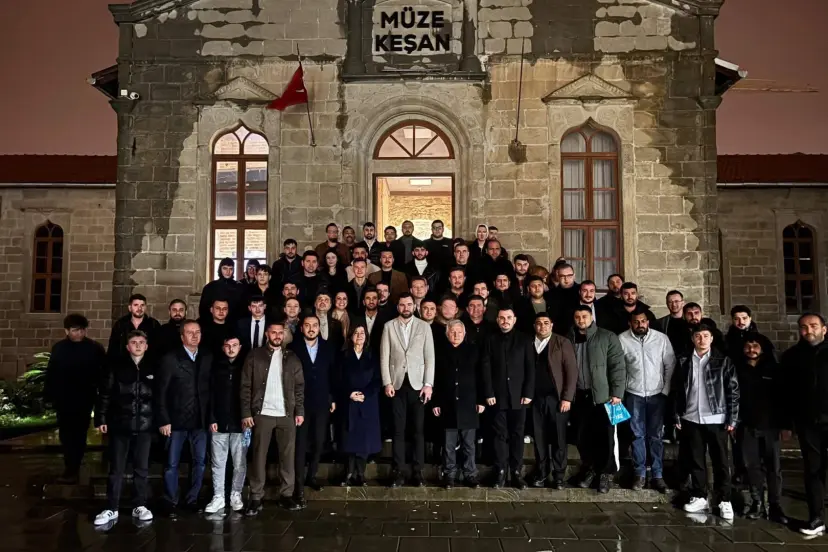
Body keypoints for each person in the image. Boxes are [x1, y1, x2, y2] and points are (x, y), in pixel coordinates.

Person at [673, 323, 739, 521]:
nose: (702, 340)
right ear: (693, 339)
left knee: (721, 461)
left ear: (712, 338)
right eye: (698, 336)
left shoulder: (723, 360)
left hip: (716, 418)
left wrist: (732, 418)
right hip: (691, 417)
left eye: (705, 336)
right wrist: (677, 414)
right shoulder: (684, 360)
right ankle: (700, 496)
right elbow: (677, 390)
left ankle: (724, 499)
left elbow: (733, 391)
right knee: (696, 460)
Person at [241, 320, 305, 514]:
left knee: (287, 457)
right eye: (273, 332)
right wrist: (246, 412)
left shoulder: (292, 357)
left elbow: (299, 387)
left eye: (280, 332)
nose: (277, 336)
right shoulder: (255, 355)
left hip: (286, 414)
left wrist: (300, 411)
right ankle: (256, 497)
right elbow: (245, 386)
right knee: (258, 456)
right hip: (263, 414)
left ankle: (286, 495)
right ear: (267, 334)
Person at [93, 330, 155, 526]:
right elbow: (105, 394)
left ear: (146, 346)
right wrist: (101, 418)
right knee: (116, 469)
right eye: (134, 342)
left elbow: (161, 396)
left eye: (141, 342)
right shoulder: (116, 366)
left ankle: (140, 505)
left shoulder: (154, 367)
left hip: (145, 426)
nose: (138, 345)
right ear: (128, 347)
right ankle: (112, 507)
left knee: (141, 468)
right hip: (120, 424)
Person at [156, 320, 213, 514]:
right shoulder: (170, 358)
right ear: (182, 336)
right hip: (176, 420)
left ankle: (192, 499)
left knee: (200, 462)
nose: (194, 336)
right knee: (171, 463)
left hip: (200, 420)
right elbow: (161, 391)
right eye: (190, 332)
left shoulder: (206, 357)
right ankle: (170, 499)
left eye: (197, 332)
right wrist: (164, 419)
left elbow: (210, 390)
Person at [567, 306, 626, 494]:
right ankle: (591, 468)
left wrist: (617, 392)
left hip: (603, 396)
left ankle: (605, 473)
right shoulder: (569, 338)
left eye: (584, 316)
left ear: (591, 317)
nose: (581, 320)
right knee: (582, 436)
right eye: (577, 317)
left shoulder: (607, 337)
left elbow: (617, 366)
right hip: (579, 396)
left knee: (606, 437)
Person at [380, 293, 436, 487]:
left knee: (418, 431)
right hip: (396, 385)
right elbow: (384, 357)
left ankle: (418, 472)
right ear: (398, 307)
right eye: (402, 305)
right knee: (398, 430)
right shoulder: (389, 326)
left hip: (418, 385)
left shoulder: (424, 326)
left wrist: (428, 384)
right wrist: (387, 382)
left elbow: (430, 357)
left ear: (414, 306)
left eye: (409, 304)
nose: (406, 308)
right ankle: (398, 471)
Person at [45, 314, 106, 484]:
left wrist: (100, 398)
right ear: (67, 331)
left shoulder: (95, 348)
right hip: (64, 399)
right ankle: (70, 466)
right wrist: (49, 396)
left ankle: (74, 467)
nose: (79, 333)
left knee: (79, 434)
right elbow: (52, 373)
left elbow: (103, 375)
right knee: (66, 434)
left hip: (84, 399)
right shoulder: (59, 348)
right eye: (75, 330)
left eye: (82, 330)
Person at [618, 308, 675, 493]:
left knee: (656, 435)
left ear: (648, 322)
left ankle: (658, 475)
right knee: (637, 435)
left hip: (657, 394)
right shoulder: (622, 339)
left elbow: (670, 365)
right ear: (630, 323)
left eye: (643, 321)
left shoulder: (661, 339)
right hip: (633, 394)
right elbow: (619, 367)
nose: (640, 325)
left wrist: (665, 390)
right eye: (636, 322)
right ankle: (640, 474)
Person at [781, 313, 828, 536]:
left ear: (824, 329)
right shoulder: (792, 357)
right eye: (804, 327)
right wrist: (787, 424)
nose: (809, 331)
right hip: (808, 422)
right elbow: (785, 393)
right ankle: (816, 518)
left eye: (813, 326)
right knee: (813, 470)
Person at [481, 307, 535, 489]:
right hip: (497, 397)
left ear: (515, 319)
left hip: (519, 397)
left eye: (509, 318)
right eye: (502, 318)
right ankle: (500, 472)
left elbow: (530, 367)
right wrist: (488, 393)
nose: (505, 321)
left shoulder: (525, 339)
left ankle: (516, 472)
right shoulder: (490, 339)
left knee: (518, 435)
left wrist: (528, 393)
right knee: (499, 435)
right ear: (497, 320)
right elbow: (485, 368)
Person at [737, 333, 787, 524]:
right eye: (748, 346)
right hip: (746, 425)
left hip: (770, 426)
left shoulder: (774, 370)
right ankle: (757, 503)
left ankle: (775, 506)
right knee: (752, 467)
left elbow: (784, 399)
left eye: (755, 346)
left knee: (774, 468)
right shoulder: (737, 369)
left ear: (762, 348)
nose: (751, 350)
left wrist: (785, 426)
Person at [291, 315, 337, 508]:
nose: (311, 328)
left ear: (319, 327)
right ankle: (298, 484)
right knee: (300, 444)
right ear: (301, 328)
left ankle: (312, 475)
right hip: (300, 404)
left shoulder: (328, 347)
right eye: (307, 325)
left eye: (315, 325)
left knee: (319, 441)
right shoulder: (293, 348)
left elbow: (333, 374)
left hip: (321, 401)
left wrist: (332, 397)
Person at [526, 312, 576, 490]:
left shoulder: (562, 342)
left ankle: (559, 475)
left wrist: (567, 398)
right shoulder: (529, 343)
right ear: (534, 326)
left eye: (546, 323)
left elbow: (571, 372)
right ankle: (541, 472)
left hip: (557, 399)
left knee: (558, 438)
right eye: (539, 323)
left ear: (552, 325)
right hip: (535, 399)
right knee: (539, 437)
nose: (542, 326)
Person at [433, 320, 484, 489]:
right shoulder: (439, 352)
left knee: (469, 444)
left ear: (464, 334)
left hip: (469, 403)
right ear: (447, 334)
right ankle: (449, 474)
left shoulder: (473, 351)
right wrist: (435, 402)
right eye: (453, 332)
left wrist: (481, 400)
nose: (456, 335)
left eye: (459, 332)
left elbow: (481, 376)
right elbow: (435, 378)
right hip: (447, 403)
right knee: (448, 444)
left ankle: (470, 474)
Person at [204, 335, 247, 515]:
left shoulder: (245, 367)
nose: (231, 349)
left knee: (239, 462)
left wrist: (248, 417)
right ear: (223, 348)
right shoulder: (216, 367)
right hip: (219, 422)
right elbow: (210, 395)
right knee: (218, 462)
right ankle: (219, 496)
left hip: (241, 423)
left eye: (234, 345)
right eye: (228, 345)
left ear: (240, 347)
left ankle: (236, 494)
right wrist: (212, 418)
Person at [340, 323, 382, 487]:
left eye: (362, 333)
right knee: (349, 439)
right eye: (356, 333)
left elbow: (377, 380)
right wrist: (349, 393)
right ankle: (349, 472)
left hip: (367, 402)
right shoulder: (343, 356)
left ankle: (360, 474)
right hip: (349, 401)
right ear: (351, 336)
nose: (359, 336)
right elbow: (337, 379)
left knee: (364, 440)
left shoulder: (372, 356)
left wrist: (365, 394)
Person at [109, 294, 161, 358]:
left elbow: (159, 348)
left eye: (142, 305)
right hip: (124, 362)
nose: (139, 308)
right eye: (136, 305)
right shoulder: (120, 324)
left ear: (145, 307)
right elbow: (112, 348)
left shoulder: (153, 324)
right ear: (130, 308)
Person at [199, 258, 243, 322]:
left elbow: (243, 309)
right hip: (213, 324)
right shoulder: (210, 287)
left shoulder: (239, 287)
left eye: (231, 269)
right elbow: (203, 309)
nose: (228, 272)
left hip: (234, 324)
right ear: (220, 269)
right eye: (225, 268)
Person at [654, 290, 688, 354]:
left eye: (676, 301)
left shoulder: (690, 321)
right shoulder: (660, 323)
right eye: (670, 302)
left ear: (683, 303)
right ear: (667, 304)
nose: (673, 304)